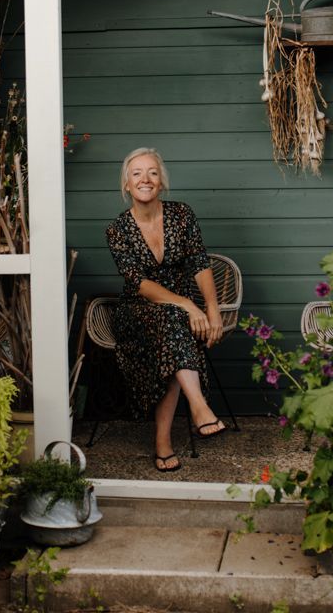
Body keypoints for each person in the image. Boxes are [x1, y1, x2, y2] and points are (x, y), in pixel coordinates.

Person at [104, 147, 227, 472]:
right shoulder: (117, 230)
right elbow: (140, 284)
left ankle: (163, 443)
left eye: (153, 173)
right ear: (127, 185)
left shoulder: (182, 215)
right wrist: (188, 304)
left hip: (177, 316)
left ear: (162, 182)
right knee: (173, 323)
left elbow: (200, 263)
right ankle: (199, 404)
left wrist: (212, 310)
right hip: (136, 311)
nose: (146, 179)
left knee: (171, 334)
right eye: (137, 174)